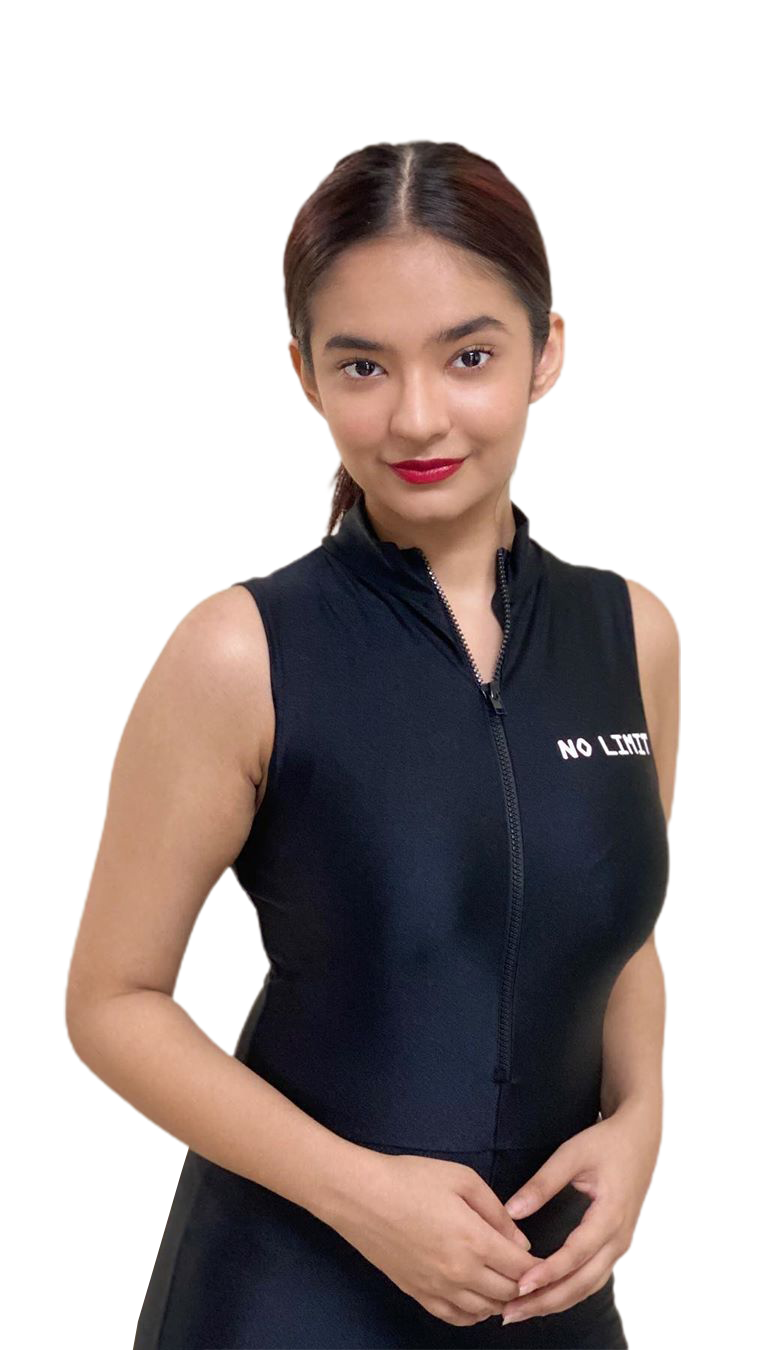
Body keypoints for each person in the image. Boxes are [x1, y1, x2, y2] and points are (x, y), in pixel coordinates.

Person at [64, 138, 680, 1348]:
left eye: (469, 356)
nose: (416, 416)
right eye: (362, 364)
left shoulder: (633, 637)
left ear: (545, 352)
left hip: (548, 1298)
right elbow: (111, 1001)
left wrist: (643, 1118)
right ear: (305, 373)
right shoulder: (241, 653)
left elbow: (614, 935)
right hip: (291, 1296)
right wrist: (362, 1196)